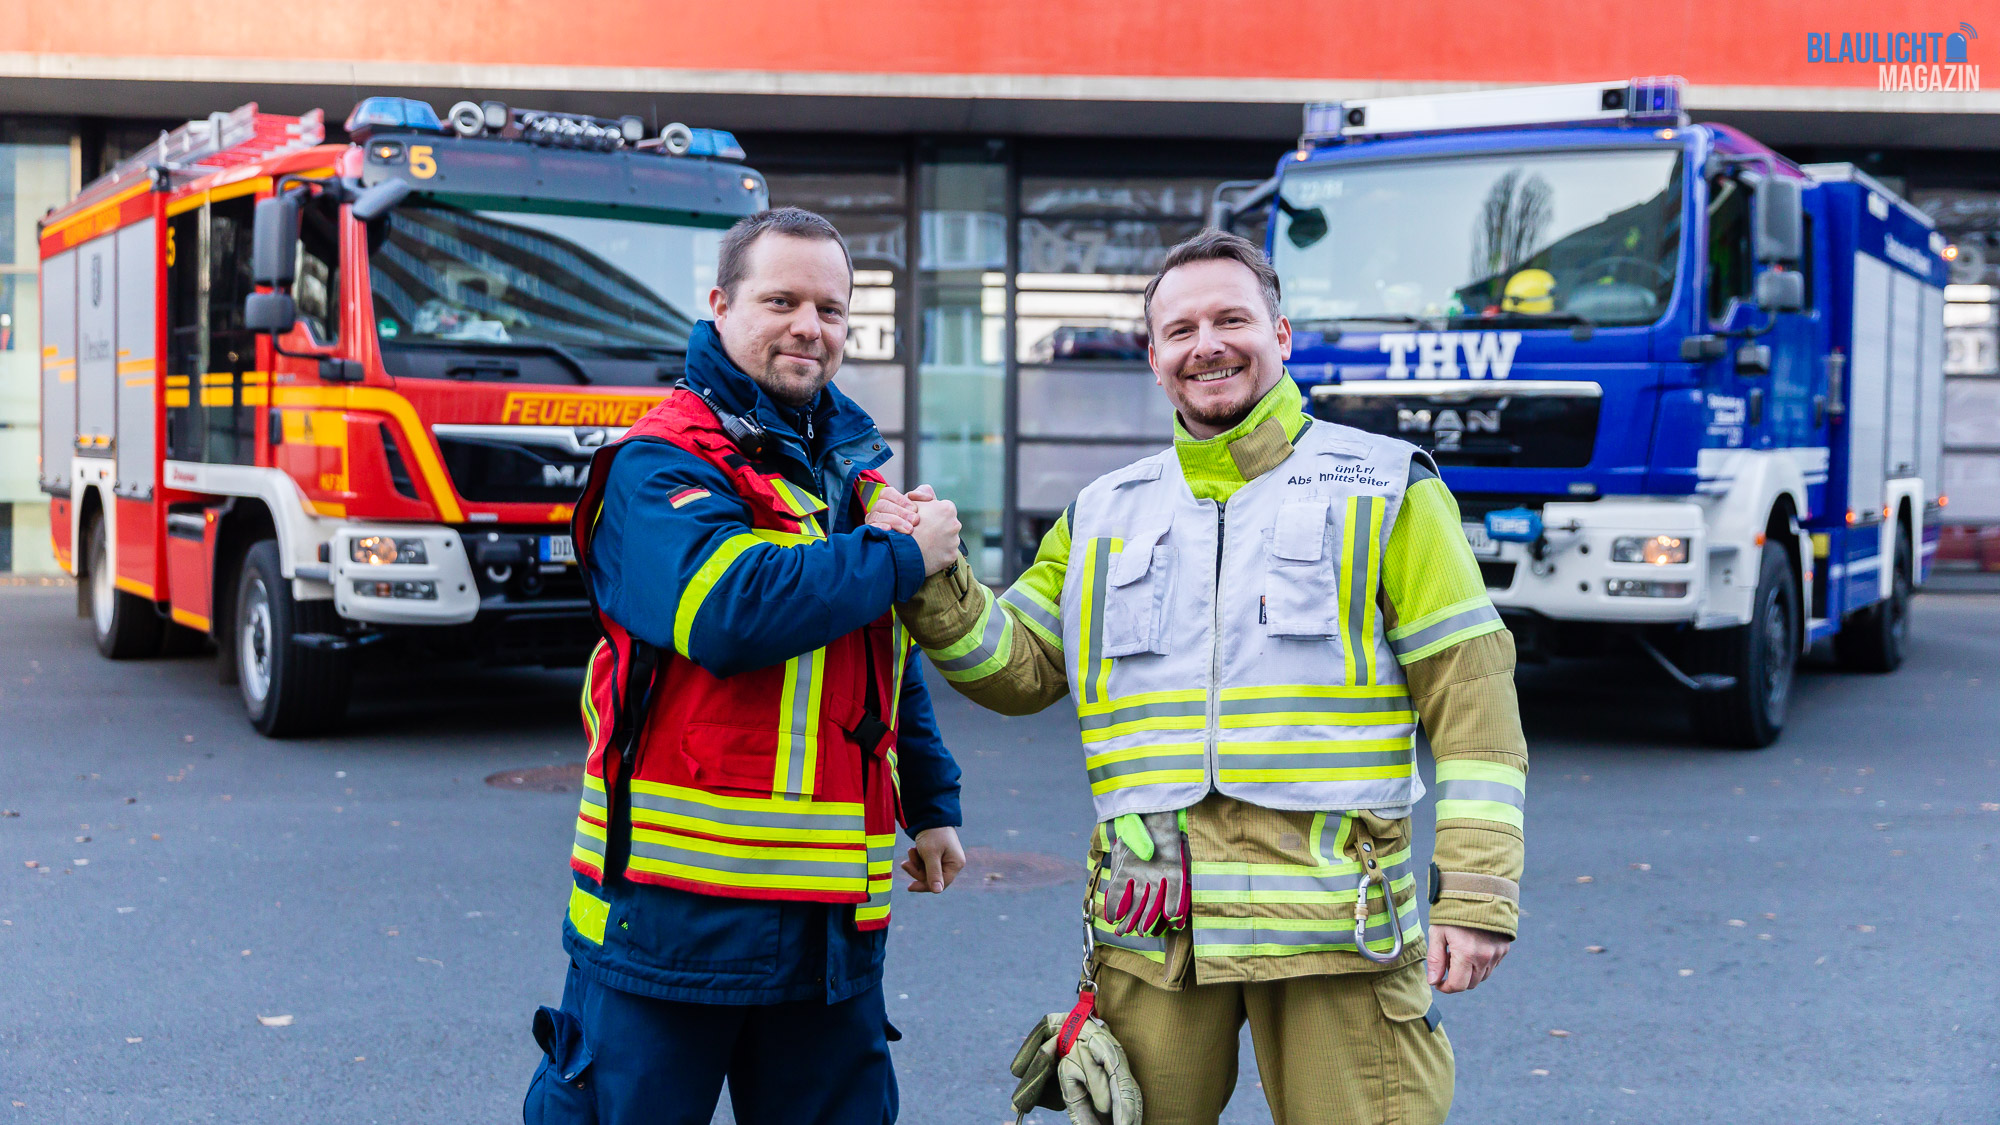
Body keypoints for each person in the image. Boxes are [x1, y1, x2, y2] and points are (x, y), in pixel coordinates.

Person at [879, 231, 1528, 1125]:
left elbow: (1474, 698)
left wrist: (1481, 891)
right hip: (1154, 928)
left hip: (1337, 932)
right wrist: (934, 575)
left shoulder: (1385, 489)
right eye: (1179, 328)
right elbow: (1017, 666)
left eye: (1232, 318)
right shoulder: (1103, 513)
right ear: (1153, 358)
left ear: (1282, 334)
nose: (1206, 344)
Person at [524, 207, 969, 1125]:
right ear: (721, 305)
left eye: (832, 308)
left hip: (831, 933)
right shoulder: (659, 463)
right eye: (783, 300)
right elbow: (727, 610)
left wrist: (931, 801)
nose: (811, 325)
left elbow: (881, 651)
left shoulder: (851, 470)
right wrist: (901, 557)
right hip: (671, 924)